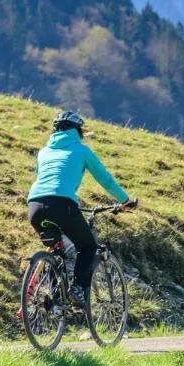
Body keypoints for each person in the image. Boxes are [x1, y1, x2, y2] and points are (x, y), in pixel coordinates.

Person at [27, 111, 136, 309]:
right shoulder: (81, 150)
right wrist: (125, 200)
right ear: (77, 130)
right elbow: (105, 179)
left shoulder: (43, 152)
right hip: (62, 204)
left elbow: (39, 177)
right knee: (87, 247)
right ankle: (77, 288)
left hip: (34, 206)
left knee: (56, 248)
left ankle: (56, 299)